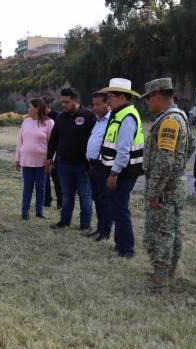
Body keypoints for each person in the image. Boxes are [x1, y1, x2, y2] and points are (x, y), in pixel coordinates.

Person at [142, 78, 192, 291]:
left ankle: (160, 279)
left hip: (166, 187)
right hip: (175, 183)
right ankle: (168, 271)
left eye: (148, 99)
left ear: (157, 96)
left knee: (160, 232)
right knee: (172, 229)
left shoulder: (169, 120)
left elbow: (164, 160)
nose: (147, 103)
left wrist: (154, 192)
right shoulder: (180, 117)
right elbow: (190, 148)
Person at [96, 78, 145, 258]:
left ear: (123, 97)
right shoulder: (120, 114)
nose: (108, 100)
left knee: (121, 210)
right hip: (118, 171)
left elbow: (123, 151)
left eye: (111, 96)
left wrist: (114, 173)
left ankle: (126, 249)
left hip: (123, 173)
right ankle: (120, 245)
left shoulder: (127, 117)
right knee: (117, 209)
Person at [45, 88, 95, 230]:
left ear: (76, 101)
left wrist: (90, 165)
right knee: (67, 195)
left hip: (83, 165)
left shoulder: (88, 116)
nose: (63, 105)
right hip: (64, 164)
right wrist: (49, 158)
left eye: (67, 102)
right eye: (62, 102)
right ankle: (64, 221)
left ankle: (85, 225)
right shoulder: (60, 118)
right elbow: (53, 140)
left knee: (85, 195)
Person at [16, 98, 54, 220]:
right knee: (27, 187)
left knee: (40, 187)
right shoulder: (25, 122)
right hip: (26, 160)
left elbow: (52, 144)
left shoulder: (49, 123)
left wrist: (51, 160)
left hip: (42, 162)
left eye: (30, 107)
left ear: (37, 109)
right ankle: (25, 212)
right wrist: (18, 159)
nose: (28, 109)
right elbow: (19, 141)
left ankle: (39, 211)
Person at [85, 90, 112, 241]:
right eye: (93, 104)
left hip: (103, 166)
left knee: (104, 199)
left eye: (97, 104)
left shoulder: (111, 121)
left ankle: (105, 231)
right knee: (97, 197)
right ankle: (100, 228)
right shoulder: (97, 121)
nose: (94, 108)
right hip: (92, 165)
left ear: (107, 104)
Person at [42, 97, 62, 210]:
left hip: (56, 153)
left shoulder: (58, 117)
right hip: (43, 153)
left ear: (47, 106)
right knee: (45, 178)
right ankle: (47, 200)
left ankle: (61, 202)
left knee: (57, 178)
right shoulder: (40, 118)